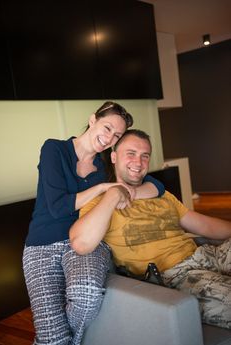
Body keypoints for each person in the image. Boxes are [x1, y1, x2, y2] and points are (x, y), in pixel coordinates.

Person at [23, 103, 165, 345]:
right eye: (107, 127)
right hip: (41, 246)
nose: (109, 138)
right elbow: (58, 206)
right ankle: (53, 342)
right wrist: (102, 188)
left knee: (87, 299)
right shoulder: (54, 149)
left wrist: (129, 190)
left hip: (85, 242)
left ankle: (60, 341)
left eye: (117, 135)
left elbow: (155, 185)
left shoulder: (106, 165)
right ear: (93, 120)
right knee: (51, 339)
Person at [70, 129, 231, 330]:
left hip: (207, 254)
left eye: (144, 156)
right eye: (131, 153)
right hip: (177, 276)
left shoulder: (161, 194)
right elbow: (81, 243)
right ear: (113, 156)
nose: (138, 162)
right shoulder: (99, 202)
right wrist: (112, 195)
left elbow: (204, 225)